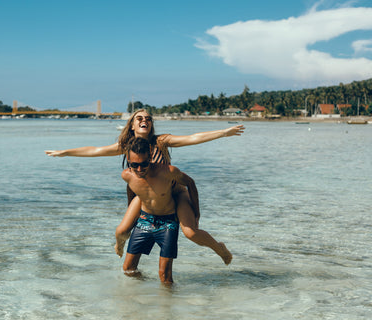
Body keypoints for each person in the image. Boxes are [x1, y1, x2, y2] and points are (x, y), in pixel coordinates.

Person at [45, 109, 244, 259]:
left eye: (148, 119)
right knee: (121, 232)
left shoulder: (162, 141)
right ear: (132, 125)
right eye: (139, 118)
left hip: (175, 193)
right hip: (147, 196)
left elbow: (192, 138)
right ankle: (119, 246)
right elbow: (95, 150)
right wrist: (65, 152)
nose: (144, 120)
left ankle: (219, 248)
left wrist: (223, 133)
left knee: (191, 233)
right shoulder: (126, 146)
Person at [121, 137, 231, 284]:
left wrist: (196, 213)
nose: (139, 169)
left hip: (168, 222)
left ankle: (220, 249)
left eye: (144, 164)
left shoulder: (168, 172)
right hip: (145, 220)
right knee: (129, 270)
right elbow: (131, 189)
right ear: (128, 160)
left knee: (165, 277)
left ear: (150, 158)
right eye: (134, 165)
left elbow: (190, 183)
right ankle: (146, 294)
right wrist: (132, 213)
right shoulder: (127, 175)